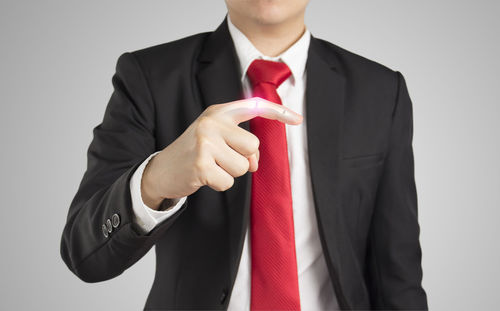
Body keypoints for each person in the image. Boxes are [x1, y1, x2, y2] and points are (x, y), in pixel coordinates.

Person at [60, 0, 428, 310]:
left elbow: (398, 273)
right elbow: (84, 253)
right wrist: (156, 178)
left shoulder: (380, 90)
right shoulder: (149, 77)